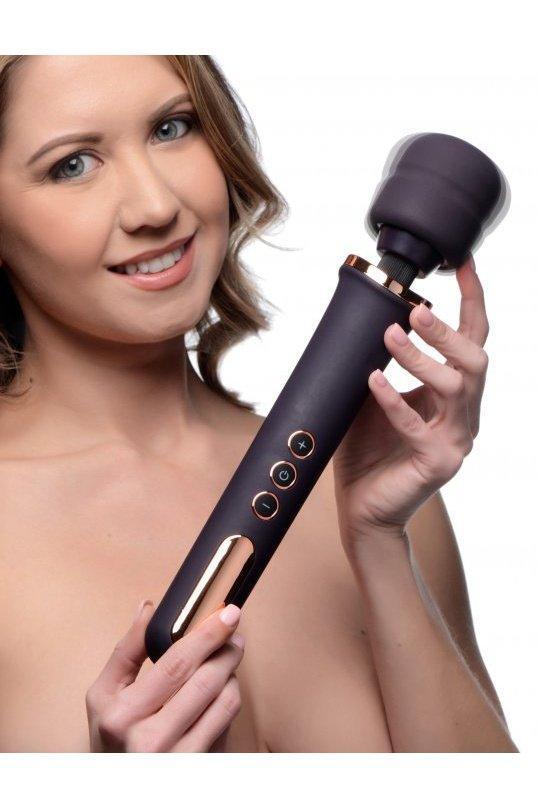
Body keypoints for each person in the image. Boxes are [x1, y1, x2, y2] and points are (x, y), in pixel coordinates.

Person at [0, 54, 517, 753]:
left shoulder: (374, 487)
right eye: (71, 165)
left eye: (171, 128)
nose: (155, 207)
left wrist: (380, 541)